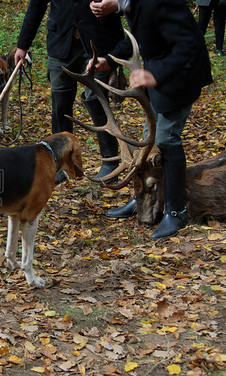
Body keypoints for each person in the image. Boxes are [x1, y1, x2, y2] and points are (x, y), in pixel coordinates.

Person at [90, 0, 213, 239]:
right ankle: (144, 198)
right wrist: (109, 59)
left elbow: (189, 45)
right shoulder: (135, 4)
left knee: (167, 140)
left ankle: (177, 211)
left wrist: (155, 75)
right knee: (150, 141)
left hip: (180, 78)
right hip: (160, 79)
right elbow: (137, 37)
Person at [13, 0, 124, 185]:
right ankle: (60, 162)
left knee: (97, 100)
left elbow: (127, 4)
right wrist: (23, 45)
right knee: (60, 103)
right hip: (61, 41)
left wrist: (114, 6)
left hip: (100, 41)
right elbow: (36, 5)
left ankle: (110, 161)